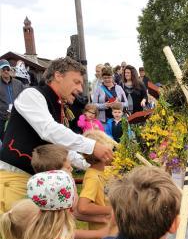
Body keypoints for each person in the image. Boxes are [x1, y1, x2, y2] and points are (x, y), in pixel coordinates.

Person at [0, 57, 114, 214]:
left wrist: (91, 164)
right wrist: (92, 146)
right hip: (15, 179)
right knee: (24, 235)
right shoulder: (32, 95)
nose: (81, 89)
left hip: (36, 181)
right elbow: (48, 130)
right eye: (76, 82)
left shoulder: (58, 106)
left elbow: (61, 146)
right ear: (58, 76)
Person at [77, 130, 115, 230]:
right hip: (102, 234)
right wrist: (113, 210)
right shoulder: (93, 177)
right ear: (104, 155)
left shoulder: (107, 170)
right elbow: (83, 207)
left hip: (113, 230)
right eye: (111, 151)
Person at [0, 59, 25, 142]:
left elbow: (24, 98)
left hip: (17, 118)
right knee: (5, 141)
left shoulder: (18, 83)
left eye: (8, 69)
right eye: (3, 69)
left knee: (18, 140)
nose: (6, 71)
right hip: (3, 120)